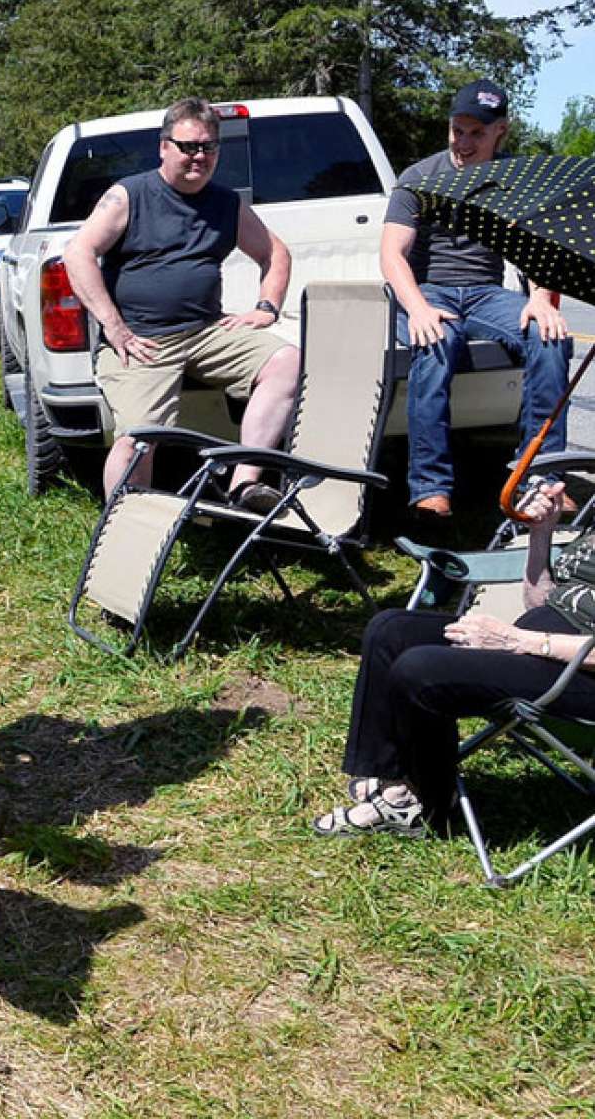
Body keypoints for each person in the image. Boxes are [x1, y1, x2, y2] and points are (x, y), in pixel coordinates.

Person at [311, 479, 595, 837]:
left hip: (578, 675)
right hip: (539, 649)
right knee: (391, 630)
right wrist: (541, 533)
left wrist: (518, 640)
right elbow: (544, 601)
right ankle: (393, 779)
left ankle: (422, 805)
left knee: (422, 670)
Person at [62, 97, 299, 503]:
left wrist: (266, 308)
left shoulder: (226, 203)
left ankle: (244, 482)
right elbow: (78, 252)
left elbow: (274, 252)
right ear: (163, 147)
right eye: (188, 146)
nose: (199, 156)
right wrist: (114, 326)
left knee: (287, 362)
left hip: (207, 332)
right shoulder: (129, 195)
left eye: (208, 147)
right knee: (138, 438)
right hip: (143, 341)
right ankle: (124, 525)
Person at [382, 78, 571, 519]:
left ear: (500, 130)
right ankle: (430, 486)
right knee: (435, 342)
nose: (464, 143)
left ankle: (539, 476)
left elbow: (540, 248)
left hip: (487, 293)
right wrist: (419, 309)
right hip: (429, 290)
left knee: (550, 337)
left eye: (477, 133)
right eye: (458, 130)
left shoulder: (516, 179)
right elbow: (392, 254)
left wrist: (540, 298)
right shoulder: (420, 177)